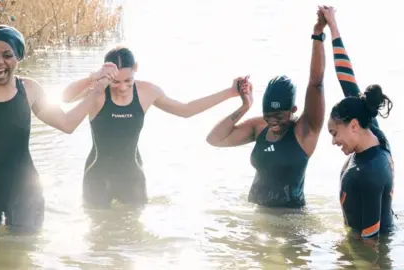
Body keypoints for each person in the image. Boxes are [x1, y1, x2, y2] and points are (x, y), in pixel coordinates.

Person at [0, 25, 117, 230]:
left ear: (18, 57)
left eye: (8, 55)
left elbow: (67, 124)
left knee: (23, 253)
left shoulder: (30, 90)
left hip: (24, 189)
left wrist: (96, 91)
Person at [62, 47, 241, 208]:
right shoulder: (97, 92)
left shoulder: (148, 92)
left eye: (128, 80)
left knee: (137, 238)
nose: (122, 87)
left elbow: (186, 110)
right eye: (115, 82)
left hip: (132, 176)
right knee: (98, 237)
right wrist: (94, 77)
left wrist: (230, 92)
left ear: (136, 68)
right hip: (97, 176)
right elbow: (66, 97)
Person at [205, 8, 327, 208]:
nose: (273, 123)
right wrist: (245, 106)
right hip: (258, 217)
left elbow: (316, 82)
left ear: (293, 109)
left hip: (289, 222)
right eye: (268, 116)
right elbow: (214, 139)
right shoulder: (259, 127)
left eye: (279, 117)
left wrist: (317, 34)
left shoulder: (305, 131)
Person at [320, 6, 396, 240]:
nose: (333, 141)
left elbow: (371, 242)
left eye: (334, 133)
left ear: (353, 125)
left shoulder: (369, 172)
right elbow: (346, 77)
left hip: (368, 249)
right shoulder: (373, 132)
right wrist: (332, 27)